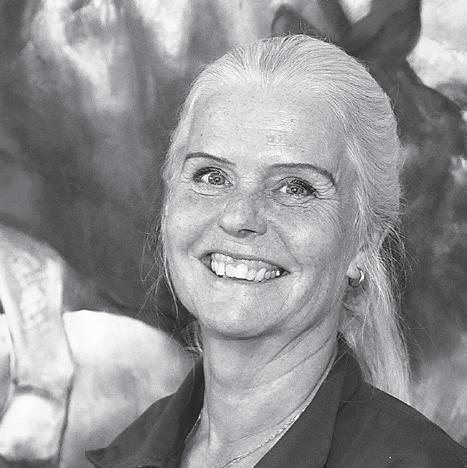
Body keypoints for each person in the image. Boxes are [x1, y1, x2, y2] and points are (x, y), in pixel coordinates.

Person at [86, 36, 464, 467]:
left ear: (364, 242)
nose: (239, 216)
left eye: (294, 187)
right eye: (211, 176)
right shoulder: (132, 448)